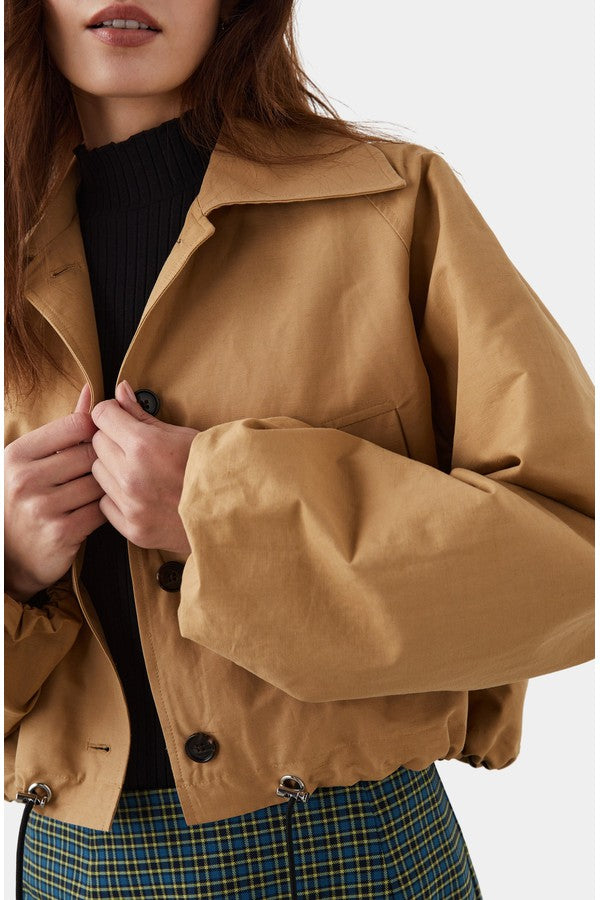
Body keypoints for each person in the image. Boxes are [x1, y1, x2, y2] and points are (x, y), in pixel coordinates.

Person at [4, 0, 594, 898]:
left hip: (350, 852)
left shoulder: (389, 203)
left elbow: (573, 561)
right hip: (72, 867)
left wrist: (223, 512)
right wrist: (9, 565)